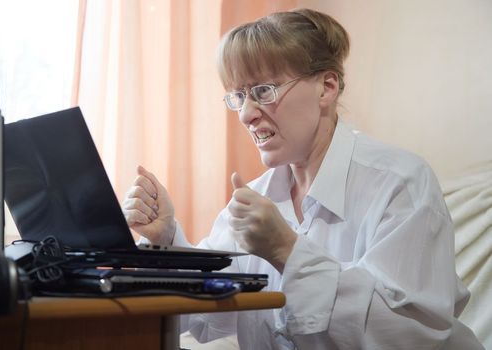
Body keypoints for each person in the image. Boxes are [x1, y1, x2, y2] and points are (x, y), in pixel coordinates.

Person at [122, 8, 483, 350]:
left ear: (327, 87)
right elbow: (204, 312)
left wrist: (287, 251)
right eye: (238, 96)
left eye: (263, 91)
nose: (246, 113)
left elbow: (407, 335)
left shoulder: (400, 183)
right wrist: (166, 240)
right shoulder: (259, 196)